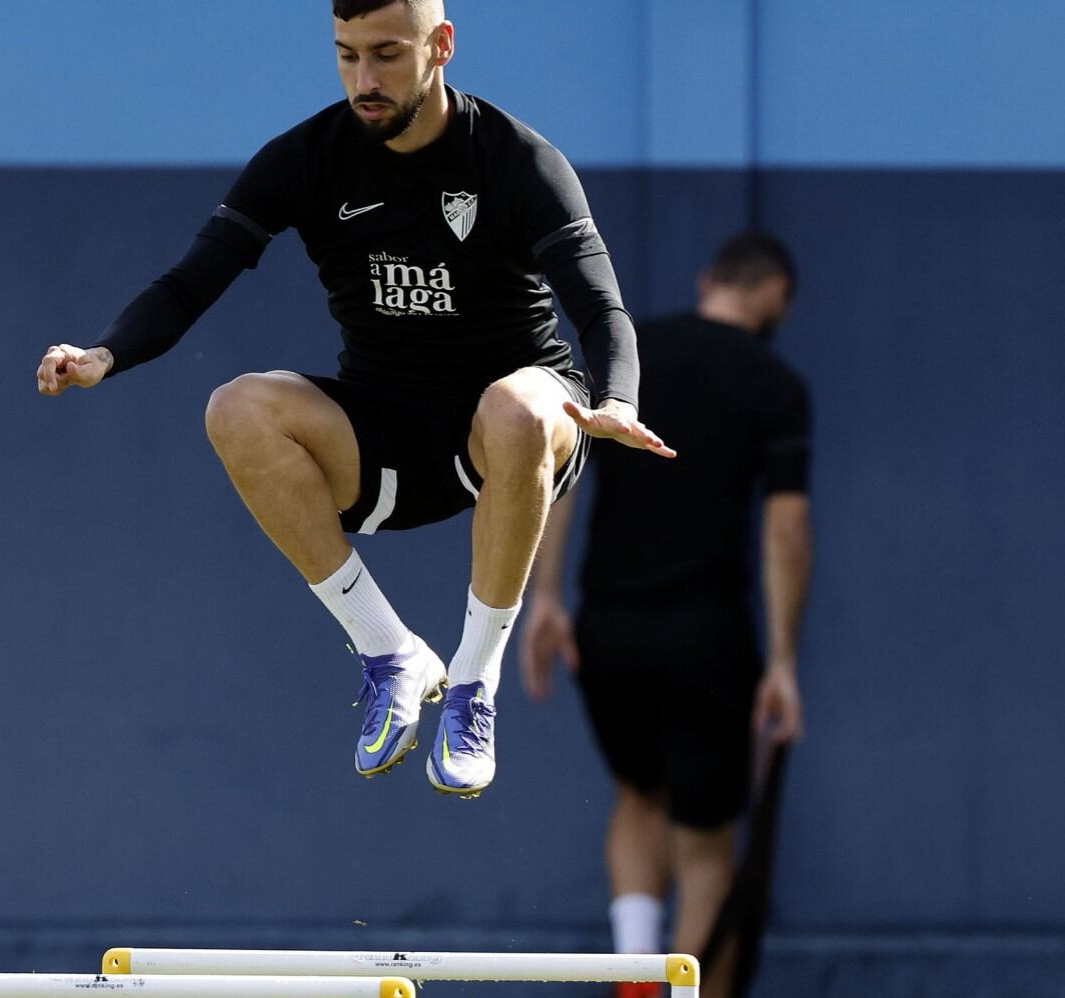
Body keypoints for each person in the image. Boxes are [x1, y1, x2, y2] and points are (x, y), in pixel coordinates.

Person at [35, 0, 672, 797]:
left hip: (513, 430)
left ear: (441, 46)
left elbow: (601, 308)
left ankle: (474, 687)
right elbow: (193, 278)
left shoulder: (517, 160)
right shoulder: (307, 158)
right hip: (386, 434)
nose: (364, 81)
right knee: (236, 408)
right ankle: (390, 653)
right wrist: (105, 353)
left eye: (387, 56)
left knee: (516, 409)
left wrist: (617, 398)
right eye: (346, 56)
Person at [520, 232, 813, 998]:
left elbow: (554, 468)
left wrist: (545, 600)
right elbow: (786, 528)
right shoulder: (774, 383)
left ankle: (639, 983)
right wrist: (784, 660)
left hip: (607, 629)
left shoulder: (628, 356)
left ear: (706, 277)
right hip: (707, 635)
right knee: (706, 845)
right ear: (773, 294)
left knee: (637, 798)